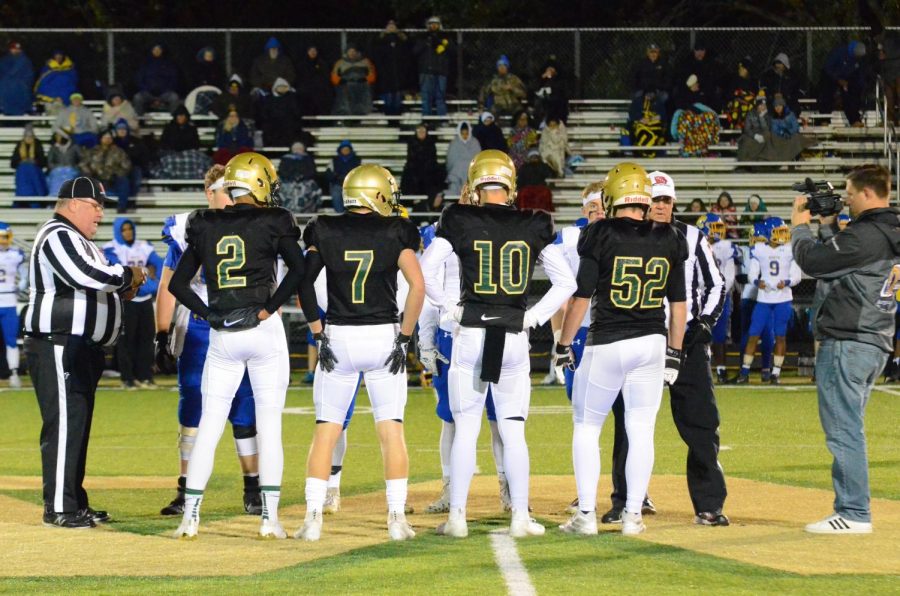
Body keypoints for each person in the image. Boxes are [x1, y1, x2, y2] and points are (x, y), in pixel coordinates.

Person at [419, 149, 576, 538]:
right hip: (512, 336)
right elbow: (567, 283)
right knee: (513, 430)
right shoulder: (533, 222)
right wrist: (533, 317)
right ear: (510, 186)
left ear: (474, 185)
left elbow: (426, 271)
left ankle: (457, 518)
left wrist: (451, 310)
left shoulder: (458, 218)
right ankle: (520, 516)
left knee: (466, 427)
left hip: (471, 333)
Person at [168, 153, 305, 540]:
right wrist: (270, 308)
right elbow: (299, 269)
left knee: (209, 425)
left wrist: (209, 314)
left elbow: (178, 286)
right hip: (263, 331)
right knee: (270, 426)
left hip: (223, 334)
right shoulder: (275, 221)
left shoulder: (203, 223)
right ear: (259, 183)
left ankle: (190, 517)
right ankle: (269, 519)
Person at [555, 163, 688, 536]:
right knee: (641, 429)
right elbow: (679, 305)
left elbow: (582, 297)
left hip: (608, 341)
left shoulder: (600, 233)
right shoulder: (671, 236)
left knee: (587, 425)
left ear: (612, 197)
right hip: (652, 343)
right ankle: (633, 515)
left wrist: (564, 343)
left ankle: (584, 515)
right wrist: (675, 352)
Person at [296, 164, 424, 541]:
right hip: (383, 336)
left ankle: (312, 517)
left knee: (325, 432)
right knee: (391, 430)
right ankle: (396, 518)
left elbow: (304, 282)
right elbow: (418, 286)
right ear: (378, 193)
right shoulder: (395, 230)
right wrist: (405, 337)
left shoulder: (324, 228)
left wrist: (317, 332)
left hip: (339, 335)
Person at [24, 176, 146, 529]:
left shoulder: (77, 238)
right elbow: (85, 275)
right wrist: (128, 274)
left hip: (80, 346)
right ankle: (60, 507)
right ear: (74, 203)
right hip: (58, 342)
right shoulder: (57, 234)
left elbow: (97, 281)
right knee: (64, 424)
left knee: (76, 424)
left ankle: (74, 501)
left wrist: (118, 287)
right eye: (96, 206)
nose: (100, 215)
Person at [791, 164, 900, 534]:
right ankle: (851, 508)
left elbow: (815, 262)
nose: (846, 201)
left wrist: (799, 225)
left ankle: (853, 512)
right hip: (875, 338)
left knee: (844, 429)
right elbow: (847, 259)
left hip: (849, 340)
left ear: (868, 194)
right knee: (848, 425)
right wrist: (828, 226)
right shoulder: (887, 230)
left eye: (850, 194)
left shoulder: (866, 235)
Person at [154, 165, 264, 518]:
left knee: (244, 408)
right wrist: (161, 332)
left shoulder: (252, 221)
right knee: (193, 407)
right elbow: (169, 283)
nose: (229, 199)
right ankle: (185, 489)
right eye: (222, 190)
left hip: (243, 325)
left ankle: (253, 487)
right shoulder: (188, 227)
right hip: (201, 327)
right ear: (207, 193)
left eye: (234, 191)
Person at [417, 218, 510, 516]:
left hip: (494, 328)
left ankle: (509, 489)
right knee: (452, 419)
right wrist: (427, 338)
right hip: (453, 332)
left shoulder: (503, 228)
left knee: (501, 419)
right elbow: (429, 293)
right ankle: (451, 488)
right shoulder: (442, 233)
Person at [548, 181, 606, 402]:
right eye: (593, 205)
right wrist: (559, 339)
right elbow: (559, 295)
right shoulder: (568, 239)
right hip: (580, 327)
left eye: (603, 204)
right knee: (579, 397)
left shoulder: (630, 236)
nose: (599, 210)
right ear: (584, 210)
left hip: (619, 328)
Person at [735, 217, 802, 384]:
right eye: (779, 232)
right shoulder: (759, 249)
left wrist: (787, 282)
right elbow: (752, 274)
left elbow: (797, 276)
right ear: (768, 233)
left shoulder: (789, 250)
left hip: (783, 298)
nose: (783, 235)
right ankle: (745, 372)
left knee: (780, 336)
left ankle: (775, 373)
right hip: (764, 299)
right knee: (753, 334)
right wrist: (757, 282)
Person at [102, 217, 162, 389]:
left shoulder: (144, 246)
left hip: (144, 301)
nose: (128, 232)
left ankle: (145, 376)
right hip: (125, 301)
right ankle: (127, 378)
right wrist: (146, 284)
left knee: (146, 339)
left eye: (130, 229)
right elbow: (119, 274)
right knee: (126, 340)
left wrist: (147, 286)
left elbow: (160, 264)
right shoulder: (111, 248)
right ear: (118, 231)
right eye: (124, 230)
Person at [733, 221, 776, 383]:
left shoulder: (746, 251)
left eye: (759, 239)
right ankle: (751, 370)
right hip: (756, 297)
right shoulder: (748, 251)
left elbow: (741, 276)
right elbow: (739, 275)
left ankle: (760, 370)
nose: (756, 242)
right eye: (755, 239)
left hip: (758, 297)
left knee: (764, 334)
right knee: (755, 334)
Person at [697, 213, 737, 384]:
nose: (718, 232)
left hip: (720, 296)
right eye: (715, 227)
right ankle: (699, 370)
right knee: (698, 333)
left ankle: (721, 371)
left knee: (719, 335)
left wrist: (717, 293)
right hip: (699, 295)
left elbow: (730, 276)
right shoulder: (695, 245)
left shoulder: (726, 247)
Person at [79, 129, 132, 213]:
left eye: (109, 138)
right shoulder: (92, 151)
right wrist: (90, 172)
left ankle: (121, 207)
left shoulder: (118, 151)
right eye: (105, 137)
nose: (107, 139)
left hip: (113, 179)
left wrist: (117, 174)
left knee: (124, 181)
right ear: (100, 139)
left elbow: (126, 166)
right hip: (96, 178)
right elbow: (82, 164)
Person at [0, 223, 27, 388]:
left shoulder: (16, 255)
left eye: (4, 237)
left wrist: (20, 287)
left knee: (11, 340)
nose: (2, 241)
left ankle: (14, 373)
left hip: (9, 302)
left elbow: (25, 276)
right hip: (7, 299)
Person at [370, 20, 413, 116]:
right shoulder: (379, 41)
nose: (391, 27)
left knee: (397, 100)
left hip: (399, 78)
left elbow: (408, 56)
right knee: (388, 100)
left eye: (393, 25)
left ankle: (396, 120)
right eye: (389, 25)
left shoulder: (403, 40)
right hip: (385, 78)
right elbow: (376, 57)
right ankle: (390, 120)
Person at [819, 41, 867, 127]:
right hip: (831, 77)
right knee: (827, 92)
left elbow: (859, 75)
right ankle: (824, 119)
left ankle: (854, 119)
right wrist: (838, 80)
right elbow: (827, 68)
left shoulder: (857, 60)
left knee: (852, 94)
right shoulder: (839, 53)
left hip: (846, 78)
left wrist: (860, 87)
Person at [414, 16, 452, 117]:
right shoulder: (422, 37)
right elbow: (415, 51)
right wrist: (426, 42)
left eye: (436, 23)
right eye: (432, 23)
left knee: (440, 97)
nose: (434, 26)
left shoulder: (445, 38)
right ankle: (426, 119)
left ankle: (442, 118)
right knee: (426, 97)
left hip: (441, 71)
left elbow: (452, 51)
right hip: (426, 71)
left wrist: (442, 43)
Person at [401, 124, 443, 210]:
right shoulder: (412, 143)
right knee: (408, 175)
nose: (421, 133)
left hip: (428, 174)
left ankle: (431, 206)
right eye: (419, 131)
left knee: (435, 176)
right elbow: (411, 160)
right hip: (415, 175)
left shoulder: (431, 143)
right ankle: (413, 201)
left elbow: (433, 160)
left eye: (423, 131)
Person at [133, 44, 180, 115]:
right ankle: (139, 121)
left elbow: (173, 80)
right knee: (137, 98)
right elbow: (139, 80)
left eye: (159, 49)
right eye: (155, 49)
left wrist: (165, 91)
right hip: (148, 93)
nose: (157, 51)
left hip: (165, 93)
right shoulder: (145, 64)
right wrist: (146, 90)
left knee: (174, 98)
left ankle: (174, 121)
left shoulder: (168, 64)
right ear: (151, 51)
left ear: (162, 51)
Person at [331, 44, 376, 116]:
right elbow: (334, 75)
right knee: (345, 103)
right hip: (346, 88)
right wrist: (340, 80)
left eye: (354, 51)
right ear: (347, 52)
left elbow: (372, 74)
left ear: (357, 52)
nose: (352, 53)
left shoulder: (366, 62)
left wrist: (365, 79)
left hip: (362, 88)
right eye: (350, 51)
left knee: (361, 105)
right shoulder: (340, 63)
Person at [114, 119, 150, 204]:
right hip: (118, 168)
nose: (122, 131)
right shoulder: (113, 142)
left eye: (124, 128)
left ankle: (131, 200)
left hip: (134, 166)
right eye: (119, 129)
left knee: (136, 178)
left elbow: (143, 155)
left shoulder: (136, 141)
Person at [631, 43, 671, 121]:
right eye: (651, 52)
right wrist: (639, 88)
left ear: (658, 53)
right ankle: (638, 119)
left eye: (655, 52)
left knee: (665, 96)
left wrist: (660, 88)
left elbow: (668, 80)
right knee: (637, 96)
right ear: (647, 53)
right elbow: (634, 78)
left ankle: (660, 119)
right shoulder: (641, 63)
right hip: (643, 90)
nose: (653, 54)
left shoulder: (664, 64)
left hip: (658, 90)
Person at [278, 141, 321, 213]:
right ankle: (288, 210)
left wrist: (302, 177)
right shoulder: (285, 159)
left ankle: (305, 210)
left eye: (300, 148)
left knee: (309, 189)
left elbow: (312, 172)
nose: (297, 150)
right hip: (288, 181)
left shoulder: (308, 159)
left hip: (305, 181)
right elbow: (282, 171)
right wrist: (292, 177)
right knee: (285, 189)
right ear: (292, 149)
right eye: (296, 148)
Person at [443, 121, 481, 201]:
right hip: (456, 175)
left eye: (466, 133)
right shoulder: (454, 143)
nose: (465, 136)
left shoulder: (475, 143)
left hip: (471, 175)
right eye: (463, 133)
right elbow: (450, 161)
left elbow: (478, 159)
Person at [260, 77, 302, 148]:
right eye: (280, 87)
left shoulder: (292, 98)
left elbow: (297, 113)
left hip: (288, 128)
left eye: (284, 87)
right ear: (275, 88)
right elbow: (264, 114)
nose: (282, 88)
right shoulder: (268, 99)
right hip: (273, 128)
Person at [11, 124, 48, 199]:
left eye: (30, 136)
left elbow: (43, 162)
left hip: (35, 170)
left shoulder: (37, 144)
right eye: (27, 136)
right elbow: (13, 163)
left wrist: (34, 161)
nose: (28, 138)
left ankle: (37, 195)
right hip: (22, 171)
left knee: (31, 169)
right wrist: (22, 161)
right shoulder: (20, 144)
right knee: (24, 169)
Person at [296, 46, 333, 118]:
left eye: (314, 50)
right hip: (306, 93)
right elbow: (299, 79)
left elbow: (326, 78)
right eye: (311, 50)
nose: (313, 52)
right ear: (307, 52)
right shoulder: (301, 64)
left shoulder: (323, 63)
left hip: (319, 92)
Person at [0, 41, 34, 116]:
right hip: (6, 92)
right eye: (14, 49)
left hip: (21, 92)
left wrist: (24, 85)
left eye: (18, 49)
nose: (16, 50)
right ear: (10, 49)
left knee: (21, 115)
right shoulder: (4, 61)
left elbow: (29, 76)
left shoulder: (26, 61)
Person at [532, 57, 569, 124]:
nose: (550, 71)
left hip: (556, 107)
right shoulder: (541, 79)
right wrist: (542, 79)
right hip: (542, 105)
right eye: (548, 68)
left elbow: (563, 92)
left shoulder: (560, 80)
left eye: (552, 68)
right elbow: (533, 90)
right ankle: (540, 122)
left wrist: (552, 81)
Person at [723, 56, 757, 129]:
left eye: (743, 69)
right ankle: (735, 128)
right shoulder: (734, 80)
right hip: (735, 105)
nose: (740, 70)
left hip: (747, 105)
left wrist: (745, 98)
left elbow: (753, 95)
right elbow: (728, 94)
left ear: (747, 70)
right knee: (735, 105)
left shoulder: (752, 82)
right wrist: (737, 97)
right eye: (740, 68)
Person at [327, 140, 361, 213]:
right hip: (338, 184)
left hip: (353, 185)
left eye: (347, 149)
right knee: (336, 194)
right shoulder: (333, 160)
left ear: (350, 150)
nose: (345, 150)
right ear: (340, 150)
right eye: (344, 149)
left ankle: (352, 214)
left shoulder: (357, 160)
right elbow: (329, 174)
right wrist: (336, 177)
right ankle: (340, 214)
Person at [46, 131, 82, 196]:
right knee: (56, 176)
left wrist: (74, 167)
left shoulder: (74, 147)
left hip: (71, 169)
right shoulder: (53, 148)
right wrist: (57, 167)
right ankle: (54, 196)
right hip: (57, 170)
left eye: (59, 136)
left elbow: (81, 160)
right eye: (56, 136)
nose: (57, 138)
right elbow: (50, 162)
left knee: (70, 175)